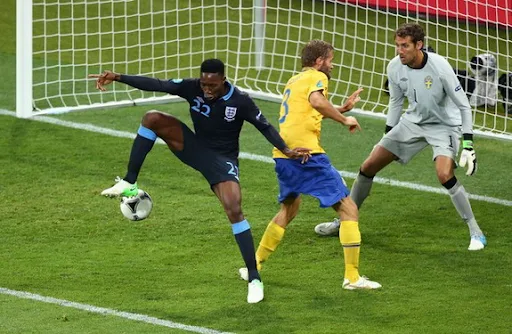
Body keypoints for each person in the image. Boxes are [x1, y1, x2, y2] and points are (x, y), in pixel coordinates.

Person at [89, 59, 311, 304]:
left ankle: (255, 278)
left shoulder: (240, 101)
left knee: (234, 209)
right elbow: (158, 84)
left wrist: (286, 150)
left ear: (223, 81)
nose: (206, 89)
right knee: (152, 118)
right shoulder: (193, 87)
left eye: (212, 85)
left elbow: (264, 126)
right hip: (193, 147)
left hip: (222, 160)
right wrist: (119, 77)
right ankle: (129, 183)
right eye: (204, 83)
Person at [314, 23, 487, 251]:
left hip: (444, 126)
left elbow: (464, 106)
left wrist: (467, 145)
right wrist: (388, 138)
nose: (400, 50)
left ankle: (476, 231)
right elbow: (396, 103)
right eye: (397, 45)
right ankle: (344, 221)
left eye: (405, 46)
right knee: (368, 166)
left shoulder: (440, 66)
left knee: (445, 174)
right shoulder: (395, 67)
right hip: (412, 122)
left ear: (419, 45)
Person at [239, 40, 381, 290]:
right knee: (348, 209)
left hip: (284, 153)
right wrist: (344, 118)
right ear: (319, 62)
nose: (332, 65)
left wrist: (341, 107)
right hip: (308, 156)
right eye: (330, 60)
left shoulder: (294, 80)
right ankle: (352, 277)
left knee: (289, 210)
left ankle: (254, 265)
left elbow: (308, 109)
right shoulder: (318, 77)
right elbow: (316, 102)